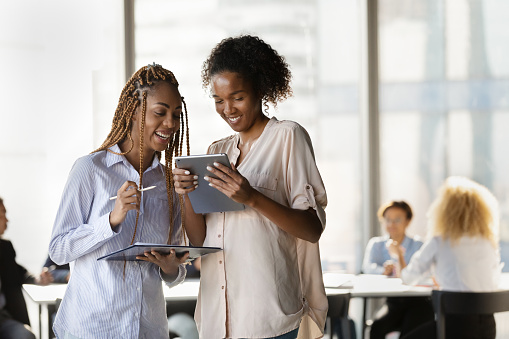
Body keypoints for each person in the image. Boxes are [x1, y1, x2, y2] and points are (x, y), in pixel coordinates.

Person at [174, 35, 328, 339]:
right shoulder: (217, 150)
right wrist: (185, 196)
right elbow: (199, 239)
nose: (227, 108)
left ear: (261, 89)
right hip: (217, 320)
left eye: (237, 97)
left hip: (268, 318)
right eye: (218, 100)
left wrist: (252, 197)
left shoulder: (288, 137)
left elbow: (311, 228)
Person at [48, 63, 191, 339]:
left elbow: (175, 267)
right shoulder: (90, 169)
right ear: (134, 111)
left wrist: (172, 269)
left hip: (147, 330)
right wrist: (111, 220)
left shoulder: (169, 184)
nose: (170, 124)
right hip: (92, 329)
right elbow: (58, 250)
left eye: (175, 115)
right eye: (160, 113)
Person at [400, 176, 502, 339]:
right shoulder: (487, 243)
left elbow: (408, 277)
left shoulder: (439, 241)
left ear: (444, 211)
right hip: (487, 328)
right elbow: (492, 281)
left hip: (453, 328)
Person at [362, 201, 434, 339]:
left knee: (411, 332)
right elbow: (367, 268)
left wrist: (399, 256)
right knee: (376, 329)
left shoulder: (419, 245)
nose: (391, 224)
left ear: (407, 221)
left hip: (418, 302)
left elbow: (420, 274)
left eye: (397, 220)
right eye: (388, 220)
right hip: (393, 302)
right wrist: (383, 271)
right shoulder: (376, 244)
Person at [0, 197, 53, 339]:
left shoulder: (5, 247)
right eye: (3, 215)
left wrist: (37, 278)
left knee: (25, 335)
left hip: (3, 317)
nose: (7, 220)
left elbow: (19, 272)